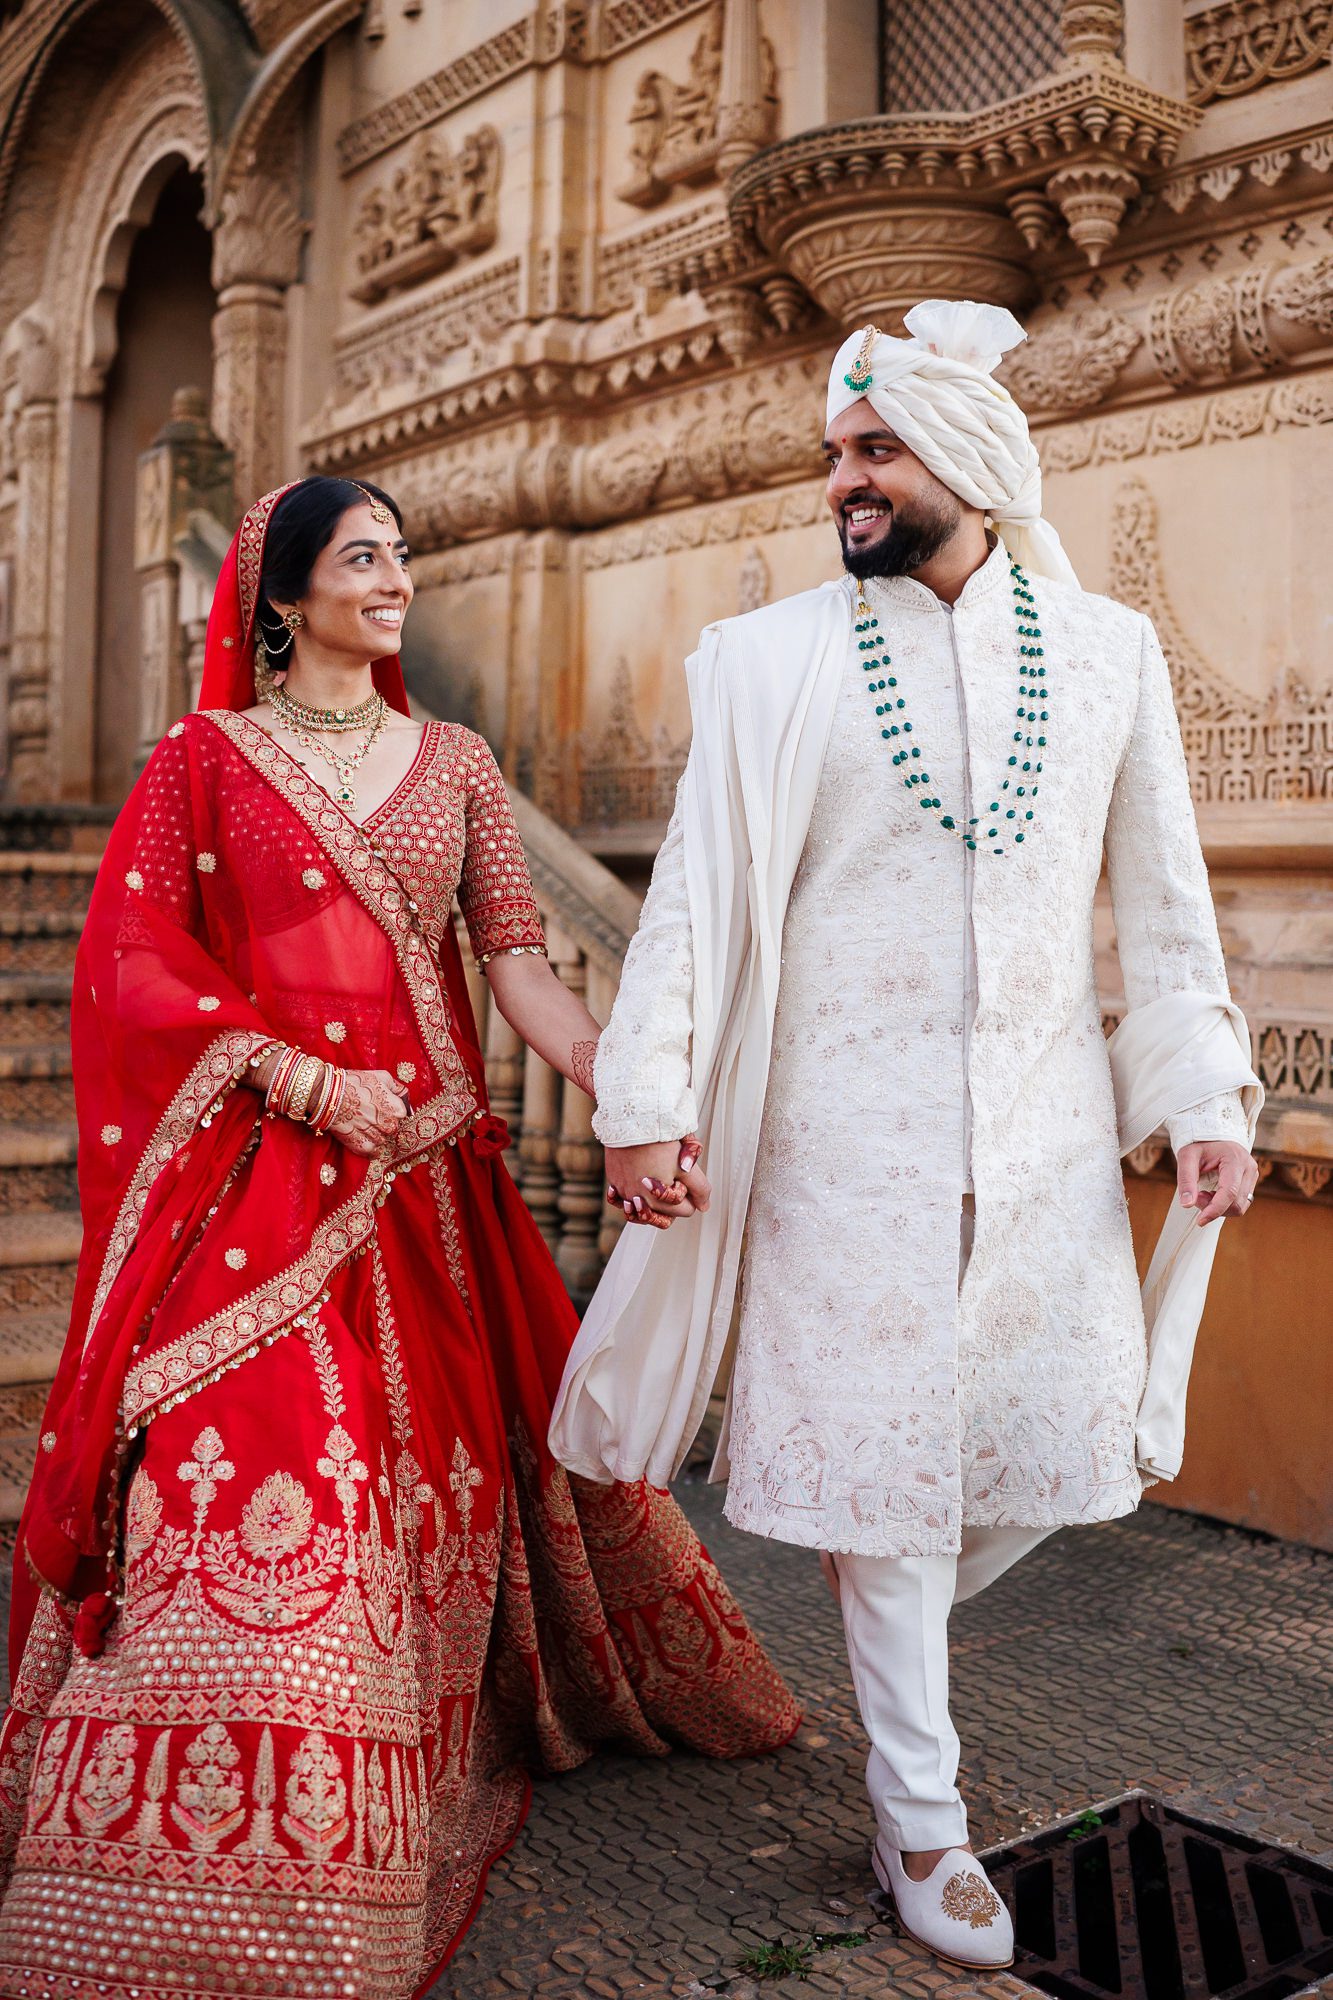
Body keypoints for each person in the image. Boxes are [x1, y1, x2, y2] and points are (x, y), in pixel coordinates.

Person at [0, 476, 800, 1998]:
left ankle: (364, 1783)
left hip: (427, 1191)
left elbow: (519, 964)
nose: (398, 580)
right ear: (282, 600)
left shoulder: (457, 765)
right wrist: (299, 1076)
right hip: (257, 1186)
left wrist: (633, 1090)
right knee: (254, 1473)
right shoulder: (201, 763)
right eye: (364, 558)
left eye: (403, 555)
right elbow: (131, 962)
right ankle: (191, 1874)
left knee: (431, 1473)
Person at [551, 300, 1262, 1972]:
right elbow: (699, 904)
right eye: (833, 456)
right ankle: (919, 1823)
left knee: (1070, 1442)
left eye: (873, 453)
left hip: (1040, 1143)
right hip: (838, 1147)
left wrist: (1203, 1096)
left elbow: (1163, 909)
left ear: (974, 464)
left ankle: (899, 1658)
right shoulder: (769, 660)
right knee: (883, 1492)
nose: (840, 485)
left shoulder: (1108, 659)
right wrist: (644, 1100)